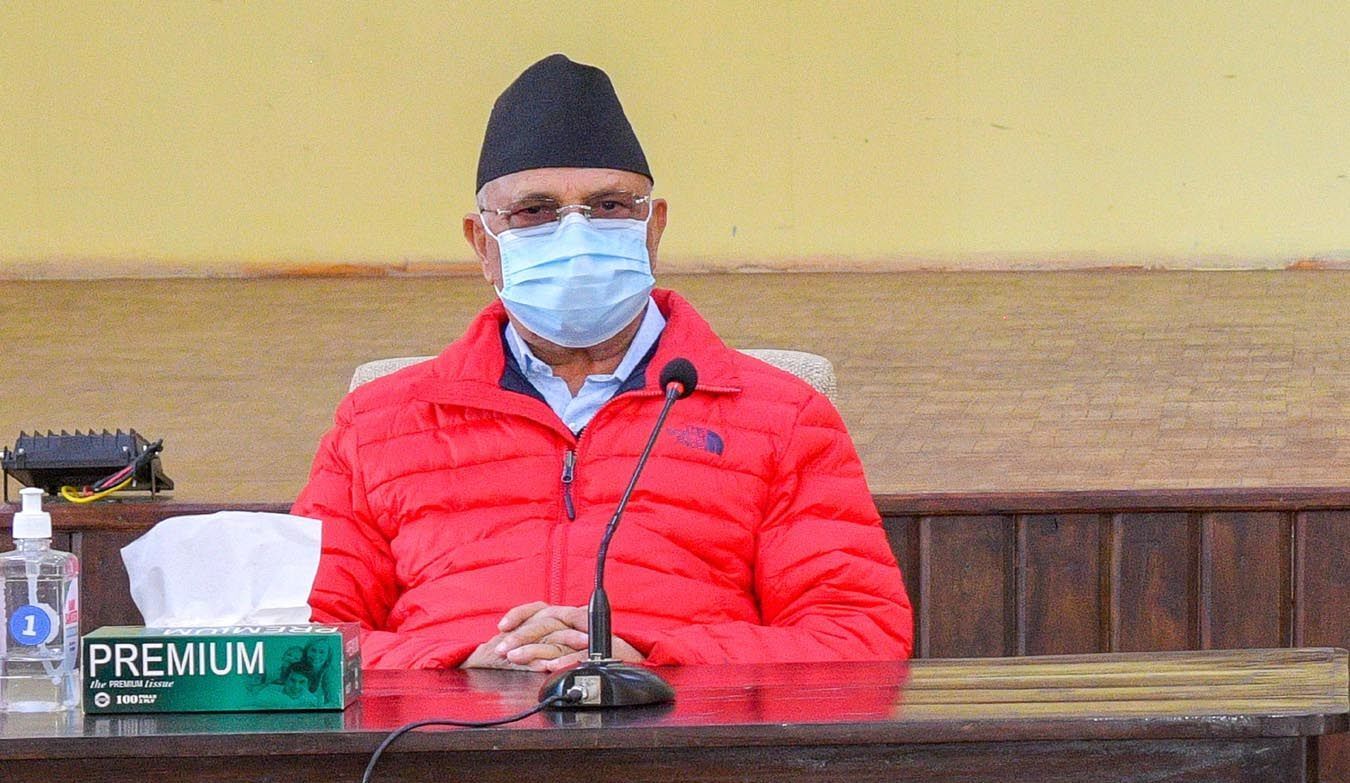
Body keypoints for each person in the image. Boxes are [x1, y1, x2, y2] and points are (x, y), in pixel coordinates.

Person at [292, 54, 913, 671]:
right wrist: (463, 666)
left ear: (653, 228)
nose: (576, 237)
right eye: (534, 211)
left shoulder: (782, 415)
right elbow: (296, 640)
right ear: (483, 244)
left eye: (610, 206)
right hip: (446, 728)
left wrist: (655, 662)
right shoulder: (376, 424)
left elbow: (860, 636)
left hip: (688, 729)